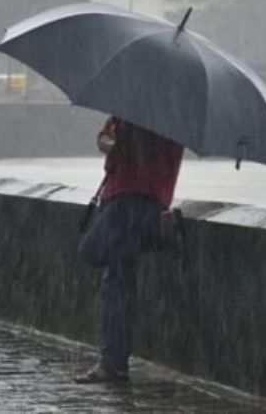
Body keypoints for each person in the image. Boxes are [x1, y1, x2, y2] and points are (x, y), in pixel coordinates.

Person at [74, 115, 185, 384]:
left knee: (94, 255)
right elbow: (106, 137)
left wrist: (122, 144)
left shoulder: (148, 113)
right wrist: (108, 141)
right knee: (118, 282)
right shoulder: (159, 111)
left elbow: (140, 151)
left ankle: (161, 233)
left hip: (131, 200)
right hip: (140, 199)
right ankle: (114, 363)